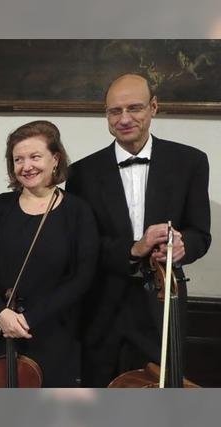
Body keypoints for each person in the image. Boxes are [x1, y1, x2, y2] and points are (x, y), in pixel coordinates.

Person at [66, 73, 211, 387]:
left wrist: (186, 246)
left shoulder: (191, 162)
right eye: (114, 111)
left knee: (159, 401)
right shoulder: (80, 173)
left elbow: (201, 234)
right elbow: (82, 246)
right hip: (101, 307)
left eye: (134, 108)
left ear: (154, 107)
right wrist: (134, 249)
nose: (124, 118)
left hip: (162, 304)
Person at [0, 120, 98, 387]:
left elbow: (82, 278)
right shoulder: (0, 207)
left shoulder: (78, 212)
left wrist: (29, 318)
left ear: (55, 159)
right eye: (18, 159)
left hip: (53, 334)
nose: (26, 166)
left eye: (35, 157)